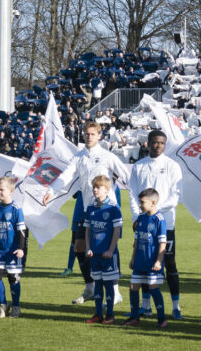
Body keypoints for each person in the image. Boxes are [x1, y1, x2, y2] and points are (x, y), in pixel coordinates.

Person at [43, 120, 129, 307]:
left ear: (99, 135)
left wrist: (141, 197)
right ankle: (90, 288)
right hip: (88, 209)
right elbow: (66, 175)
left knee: (108, 249)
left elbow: (127, 175)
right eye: (87, 133)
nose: (89, 136)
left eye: (93, 134)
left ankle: (115, 292)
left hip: (106, 209)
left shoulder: (107, 156)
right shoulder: (79, 157)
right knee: (79, 248)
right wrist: (51, 191)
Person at [128, 130, 183, 318]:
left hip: (165, 223)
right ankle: (146, 306)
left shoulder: (172, 166)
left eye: (161, 143)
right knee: (145, 262)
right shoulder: (138, 166)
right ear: (148, 143)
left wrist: (154, 211)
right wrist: (137, 216)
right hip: (143, 223)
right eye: (155, 142)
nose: (158, 145)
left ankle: (176, 306)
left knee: (169, 262)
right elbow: (133, 193)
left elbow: (176, 196)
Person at [122, 188, 169, 328]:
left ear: (153, 202)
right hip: (140, 261)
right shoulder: (141, 218)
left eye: (142, 202)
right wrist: (132, 258)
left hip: (153, 262)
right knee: (133, 286)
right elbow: (136, 241)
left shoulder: (159, 219)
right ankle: (134, 317)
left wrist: (159, 261)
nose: (139, 205)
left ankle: (162, 319)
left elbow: (162, 243)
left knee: (153, 287)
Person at [83, 175, 122, 324]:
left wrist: (111, 250)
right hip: (95, 254)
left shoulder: (113, 208)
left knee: (108, 284)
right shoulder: (90, 208)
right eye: (94, 187)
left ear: (107, 190)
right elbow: (88, 230)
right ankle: (98, 314)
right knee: (97, 284)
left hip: (108, 254)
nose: (94, 189)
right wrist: (88, 248)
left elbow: (117, 231)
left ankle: (110, 315)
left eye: (98, 187)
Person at [0, 176, 27, 318]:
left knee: (13, 278)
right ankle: (3, 304)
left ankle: (16, 306)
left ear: (11, 191)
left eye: (1, 190)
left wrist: (21, 248)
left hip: (13, 250)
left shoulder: (16, 209)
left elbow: (21, 230)